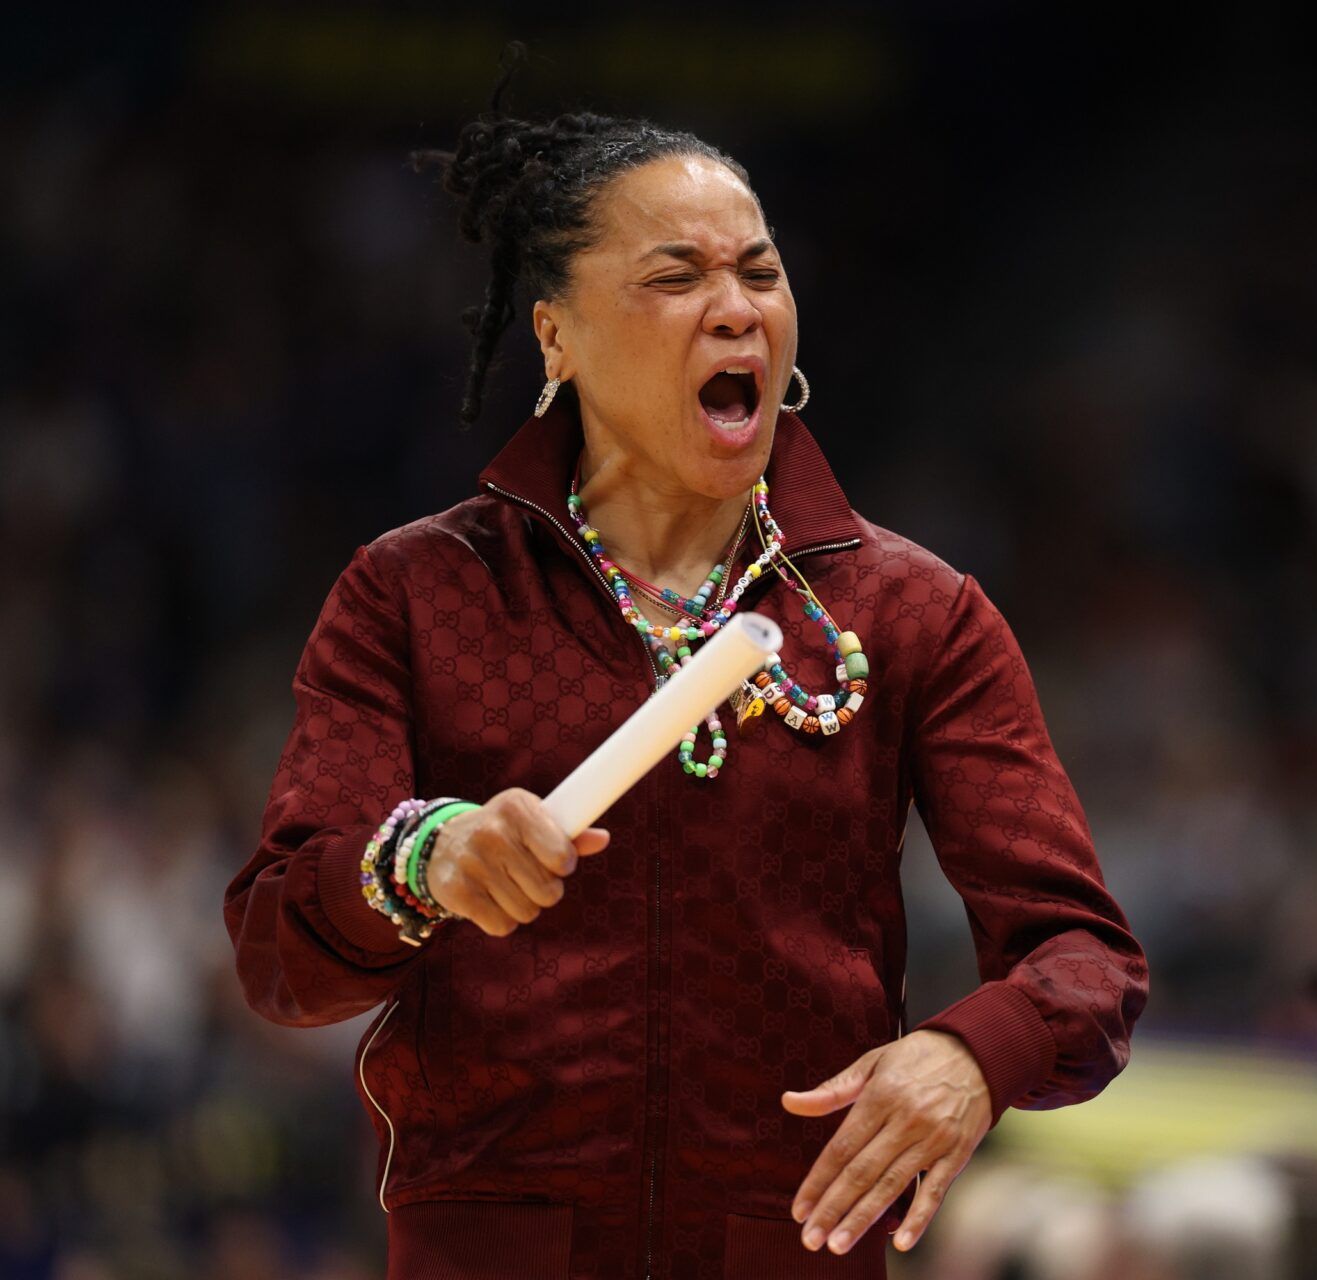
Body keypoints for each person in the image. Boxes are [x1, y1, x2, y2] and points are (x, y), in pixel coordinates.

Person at [221, 43, 1147, 1280]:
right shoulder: (419, 592)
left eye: (759, 271)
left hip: (791, 1245)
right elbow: (280, 949)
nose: (737, 305)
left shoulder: (915, 610)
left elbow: (1082, 955)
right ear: (556, 333)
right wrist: (426, 858)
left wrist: (974, 1053)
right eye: (677, 274)